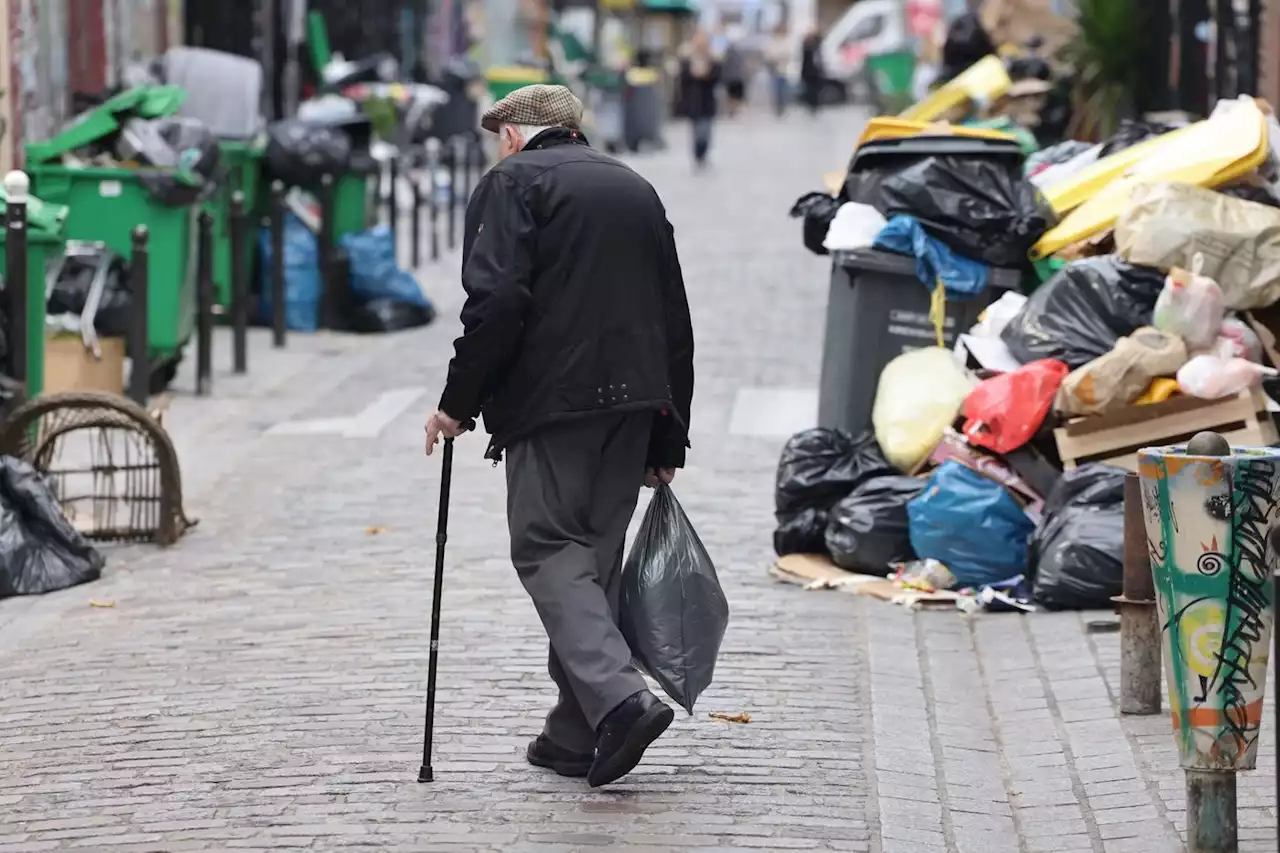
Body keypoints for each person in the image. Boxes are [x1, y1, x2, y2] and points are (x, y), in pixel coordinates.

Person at [424, 84, 695, 789]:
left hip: (557, 405)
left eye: (497, 134)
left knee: (547, 548)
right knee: (593, 563)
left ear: (514, 134)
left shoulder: (511, 183)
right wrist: (670, 433)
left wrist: (458, 403)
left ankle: (620, 698)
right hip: (635, 406)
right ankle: (575, 732)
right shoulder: (633, 186)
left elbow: (497, 300)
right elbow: (675, 316)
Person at [678, 29, 722, 168]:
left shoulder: (713, 59)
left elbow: (717, 77)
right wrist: (693, 74)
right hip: (693, 102)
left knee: (705, 132)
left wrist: (706, 74)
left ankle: (703, 155)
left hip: (707, 102)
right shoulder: (688, 59)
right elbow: (682, 78)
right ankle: (697, 156)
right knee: (696, 132)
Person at [764, 24, 793, 117]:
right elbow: (769, 55)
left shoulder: (786, 41)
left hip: (784, 69)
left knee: (783, 90)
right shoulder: (771, 41)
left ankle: (782, 107)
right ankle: (777, 108)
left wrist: (781, 56)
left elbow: (789, 54)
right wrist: (778, 56)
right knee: (776, 89)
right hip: (774, 69)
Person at [799, 27, 825, 116]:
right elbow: (804, 60)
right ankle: (811, 106)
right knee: (810, 90)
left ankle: (814, 106)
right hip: (809, 71)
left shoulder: (817, 46)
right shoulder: (807, 47)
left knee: (815, 90)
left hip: (816, 71)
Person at [721, 35, 747, 118]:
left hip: (732, 77)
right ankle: (733, 110)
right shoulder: (739, 53)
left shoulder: (727, 53)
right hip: (735, 77)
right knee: (734, 95)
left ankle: (732, 110)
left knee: (732, 95)